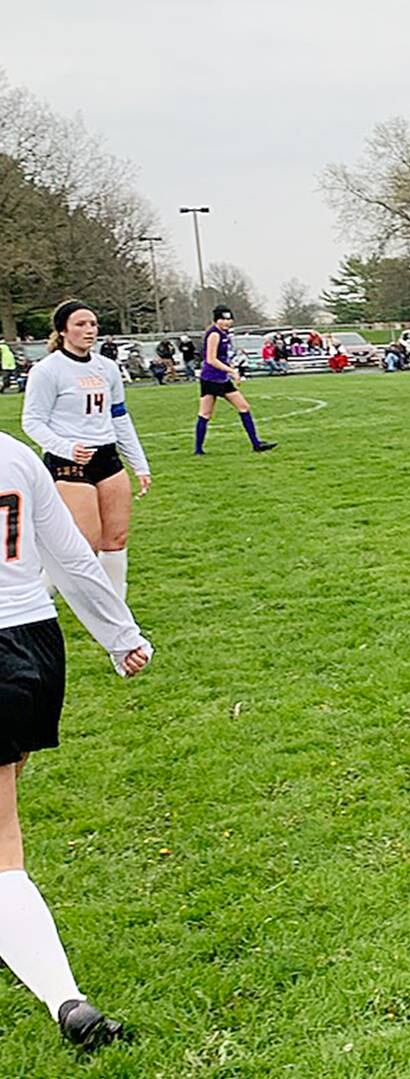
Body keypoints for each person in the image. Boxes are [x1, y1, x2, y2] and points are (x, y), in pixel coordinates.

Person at [0, 428, 152, 1052]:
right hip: (33, 648)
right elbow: (69, 555)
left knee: (2, 847)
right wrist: (121, 635)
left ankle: (67, 1001)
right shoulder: (13, 453)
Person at [21, 301, 153, 600]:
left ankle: (115, 609)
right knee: (84, 545)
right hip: (69, 463)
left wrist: (139, 464)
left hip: (107, 459)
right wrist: (66, 447)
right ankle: (36, 600)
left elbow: (119, 417)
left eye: (93, 324)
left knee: (116, 539)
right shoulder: (47, 370)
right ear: (63, 330)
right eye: (80, 324)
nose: (89, 330)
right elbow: (32, 421)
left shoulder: (107, 368)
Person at [194, 305, 277, 455]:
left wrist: (231, 368)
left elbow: (222, 357)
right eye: (223, 319)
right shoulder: (214, 334)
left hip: (221, 378)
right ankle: (198, 450)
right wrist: (231, 371)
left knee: (243, 407)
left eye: (229, 319)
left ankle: (256, 443)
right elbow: (211, 359)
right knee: (206, 413)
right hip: (211, 379)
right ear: (216, 320)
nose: (226, 322)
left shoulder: (224, 334)